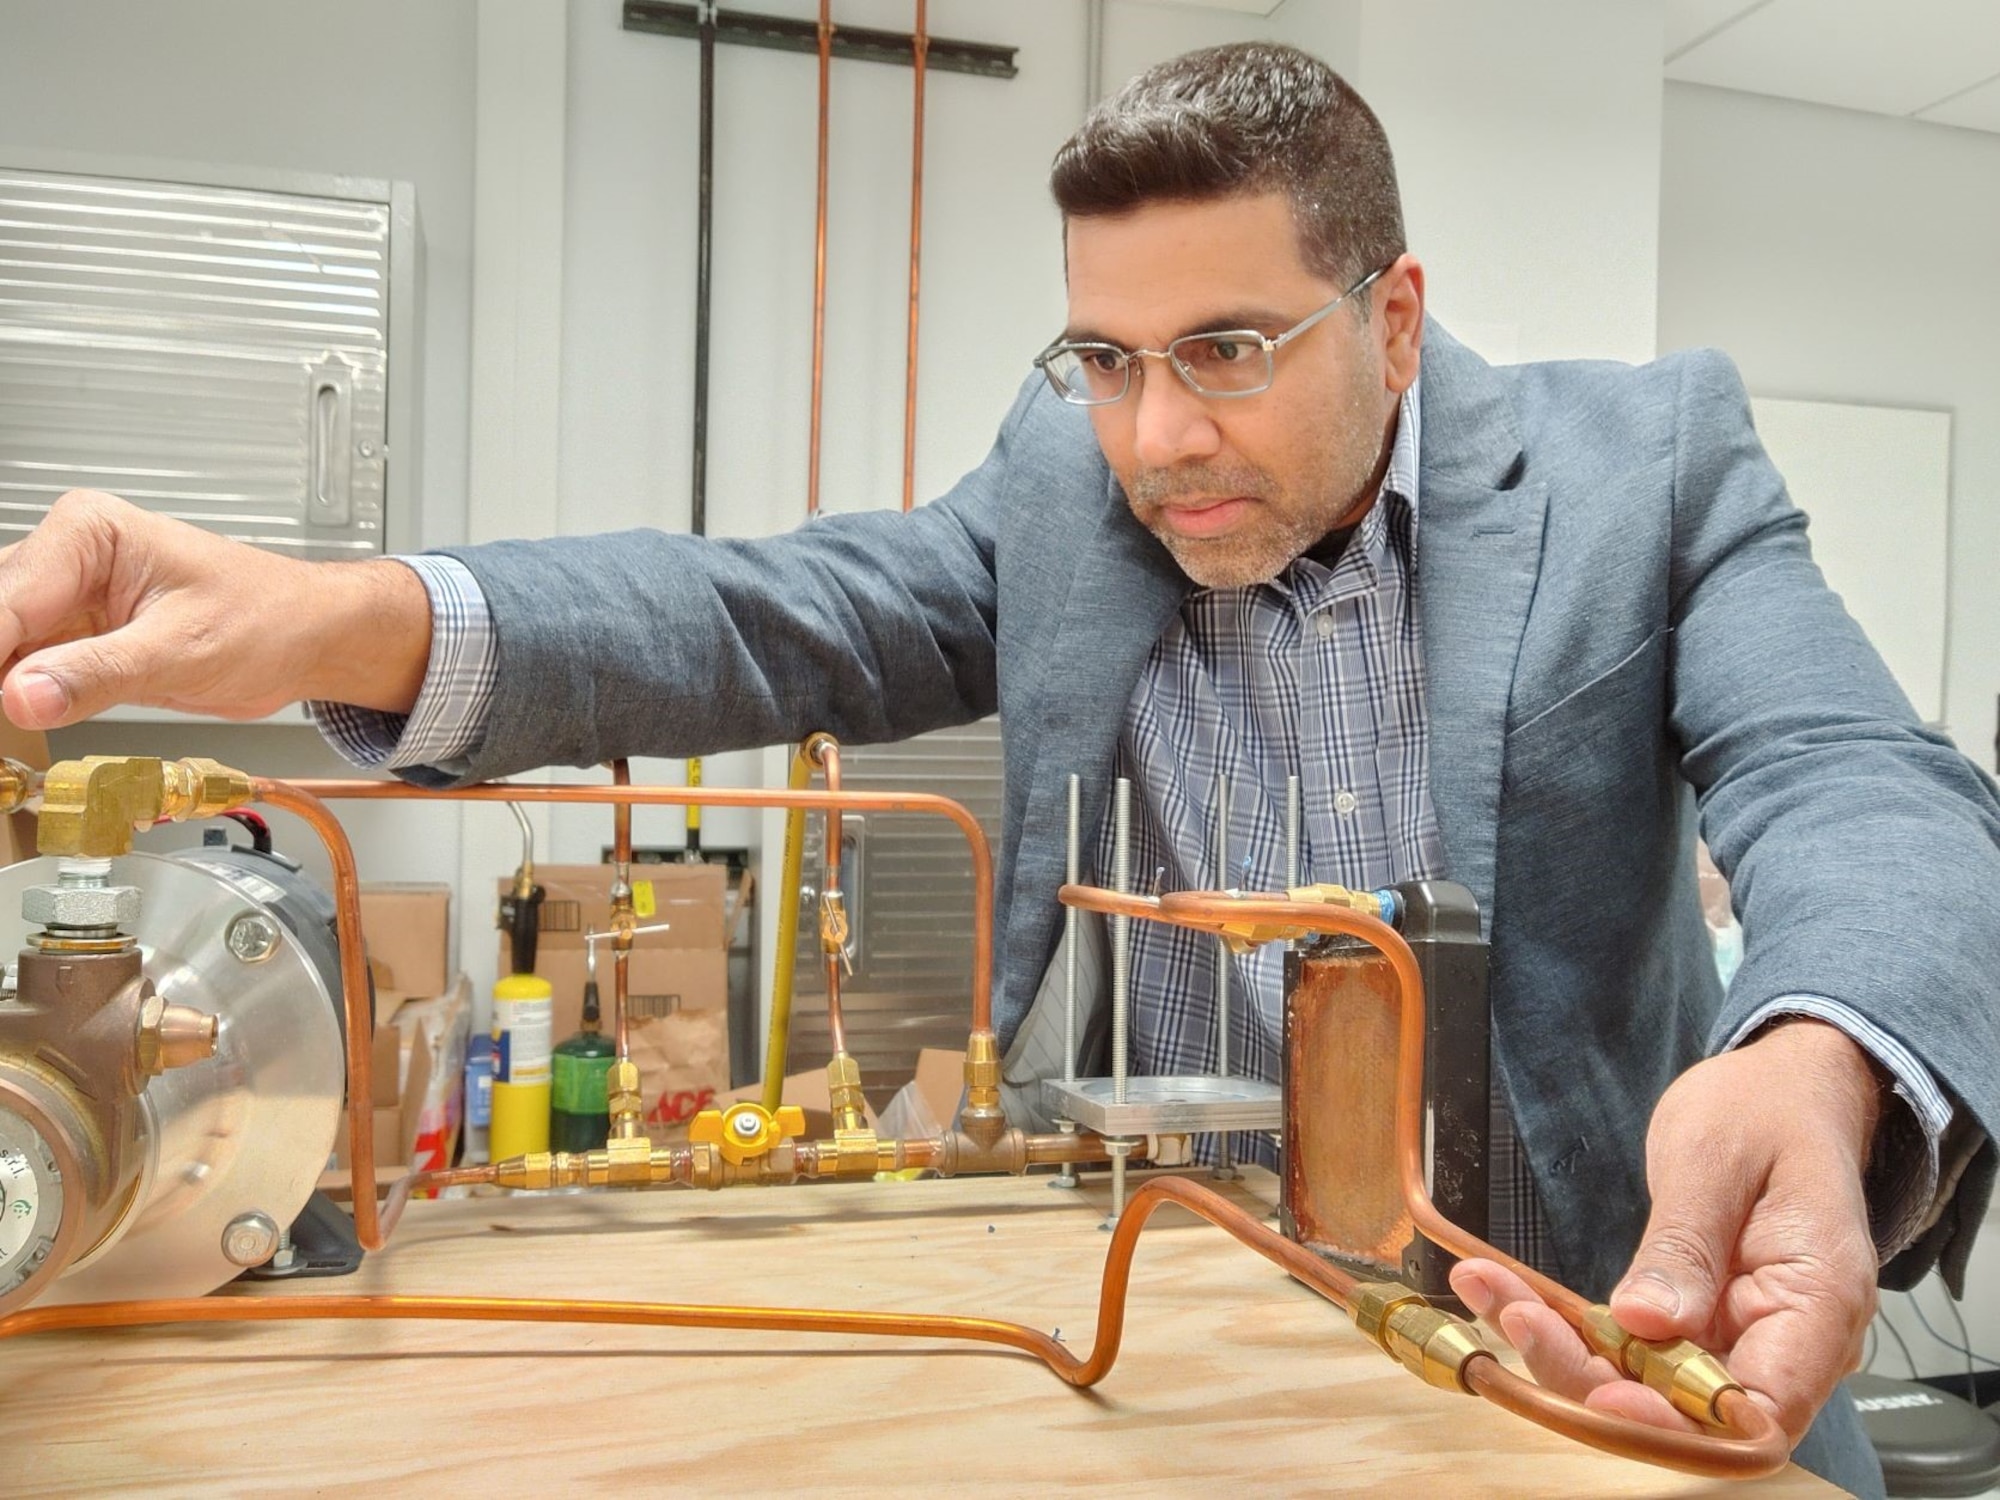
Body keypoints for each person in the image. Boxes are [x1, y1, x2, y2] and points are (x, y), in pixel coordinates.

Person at [0, 42, 1993, 1495]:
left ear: (1390, 316)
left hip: (1635, 1368)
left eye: (1223, 349)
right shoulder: (1072, 494)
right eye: (1102, 361)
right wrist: (319, 613)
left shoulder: (1647, 465)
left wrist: (1810, 1065)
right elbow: (753, 613)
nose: (1150, 439)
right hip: (1246, 1358)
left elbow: (1854, 776)